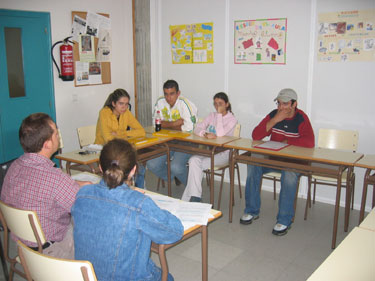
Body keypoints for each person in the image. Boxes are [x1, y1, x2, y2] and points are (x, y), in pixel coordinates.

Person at [72, 139, 184, 281]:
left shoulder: (82, 194)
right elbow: (174, 232)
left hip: (86, 276)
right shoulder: (139, 203)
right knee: (167, 277)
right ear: (133, 170)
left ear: (100, 167)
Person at [1, 113, 91, 259]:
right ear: (47, 144)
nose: (58, 136)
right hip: (52, 251)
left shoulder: (14, 167)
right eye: (56, 132)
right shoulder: (54, 178)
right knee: (92, 224)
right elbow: (84, 207)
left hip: (23, 248)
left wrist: (73, 184)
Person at [240, 89, 315, 236]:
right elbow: (256, 135)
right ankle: (251, 211)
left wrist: (289, 141)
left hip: (293, 161)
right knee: (253, 163)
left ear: (294, 104)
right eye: (279, 103)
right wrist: (274, 120)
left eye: (285, 104)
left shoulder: (301, 118)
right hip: (273, 158)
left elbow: (309, 142)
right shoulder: (274, 114)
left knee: (289, 175)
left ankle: (284, 219)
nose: (281, 107)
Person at [181, 92, 237, 202]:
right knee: (193, 160)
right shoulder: (212, 115)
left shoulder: (232, 119)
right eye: (215, 104)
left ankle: (189, 200)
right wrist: (205, 134)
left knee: (196, 166)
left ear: (227, 104)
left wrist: (220, 115)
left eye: (220, 104)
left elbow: (220, 134)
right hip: (209, 151)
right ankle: (195, 197)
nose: (217, 107)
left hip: (224, 153)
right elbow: (197, 128)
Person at [146, 80, 198, 187]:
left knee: (176, 167)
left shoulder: (185, 104)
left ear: (178, 93)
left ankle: (193, 189)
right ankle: (175, 176)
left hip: (186, 142)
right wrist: (175, 123)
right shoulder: (160, 102)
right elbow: (156, 124)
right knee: (151, 164)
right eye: (166, 94)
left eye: (172, 94)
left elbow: (189, 129)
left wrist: (166, 124)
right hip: (167, 141)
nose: (168, 97)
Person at [94, 88, 146, 188]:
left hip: (120, 149)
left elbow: (141, 131)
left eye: (127, 104)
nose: (124, 107)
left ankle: (136, 192)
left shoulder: (126, 113)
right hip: (105, 149)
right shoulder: (104, 113)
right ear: (113, 103)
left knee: (140, 169)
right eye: (121, 103)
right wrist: (121, 136)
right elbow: (108, 139)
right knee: (137, 169)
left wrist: (121, 134)